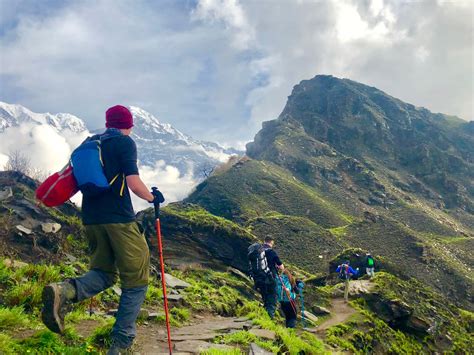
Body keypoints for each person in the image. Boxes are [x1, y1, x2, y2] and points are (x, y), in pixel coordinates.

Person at [41, 105, 163, 355]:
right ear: (128, 125)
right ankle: (121, 344)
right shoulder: (124, 144)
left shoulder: (89, 145)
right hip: (119, 220)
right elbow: (133, 182)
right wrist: (153, 198)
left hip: (91, 220)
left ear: (108, 122)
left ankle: (63, 291)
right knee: (136, 280)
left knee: (104, 273)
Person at [260, 236, 284, 318]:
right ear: (271, 242)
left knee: (265, 297)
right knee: (273, 297)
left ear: (264, 241)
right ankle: (270, 318)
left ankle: (263, 316)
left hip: (260, 278)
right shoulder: (271, 252)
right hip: (270, 278)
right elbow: (281, 266)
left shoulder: (259, 251)